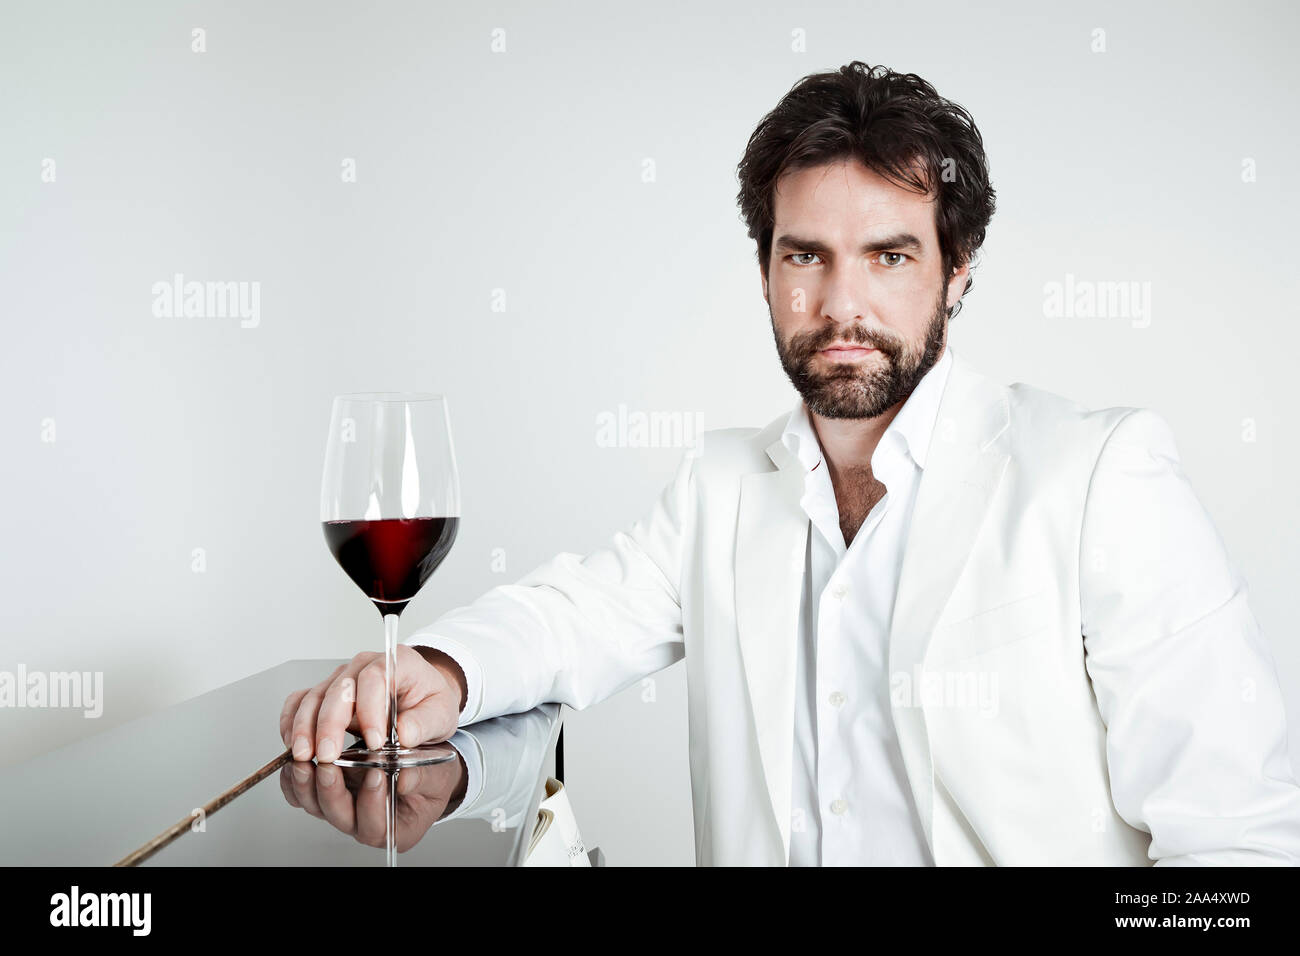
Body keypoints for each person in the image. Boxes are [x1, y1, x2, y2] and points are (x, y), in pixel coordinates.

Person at [281, 61, 1300, 866]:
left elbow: (1236, 845)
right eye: (804, 255)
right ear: (765, 271)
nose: (841, 304)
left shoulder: (1098, 476)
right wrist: (442, 669)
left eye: (890, 256)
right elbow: (574, 616)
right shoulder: (722, 486)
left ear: (957, 275)